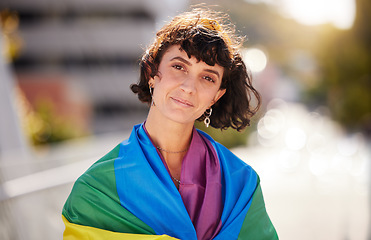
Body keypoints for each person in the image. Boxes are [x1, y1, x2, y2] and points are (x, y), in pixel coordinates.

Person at [62, 8, 278, 240]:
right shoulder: (96, 190)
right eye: (179, 67)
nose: (189, 87)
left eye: (207, 77)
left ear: (216, 96)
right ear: (152, 73)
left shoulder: (240, 185)